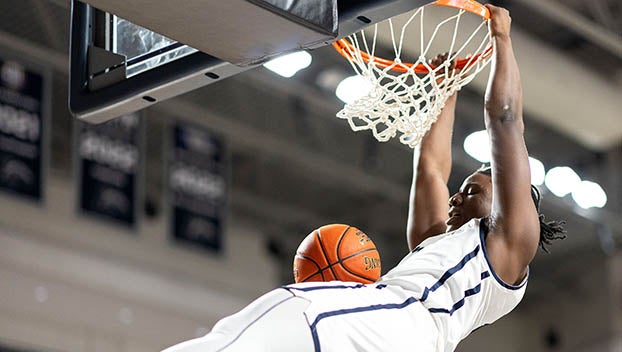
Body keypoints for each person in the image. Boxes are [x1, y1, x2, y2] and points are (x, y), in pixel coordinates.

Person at [162, 5, 565, 352]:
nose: (455, 198)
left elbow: (506, 121)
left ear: (512, 202)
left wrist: (503, 40)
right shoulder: (440, 247)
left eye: (471, 190)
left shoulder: (511, 242)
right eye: (459, 191)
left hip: (393, 320)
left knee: (278, 317)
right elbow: (429, 169)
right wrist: (446, 87)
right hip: (399, 336)